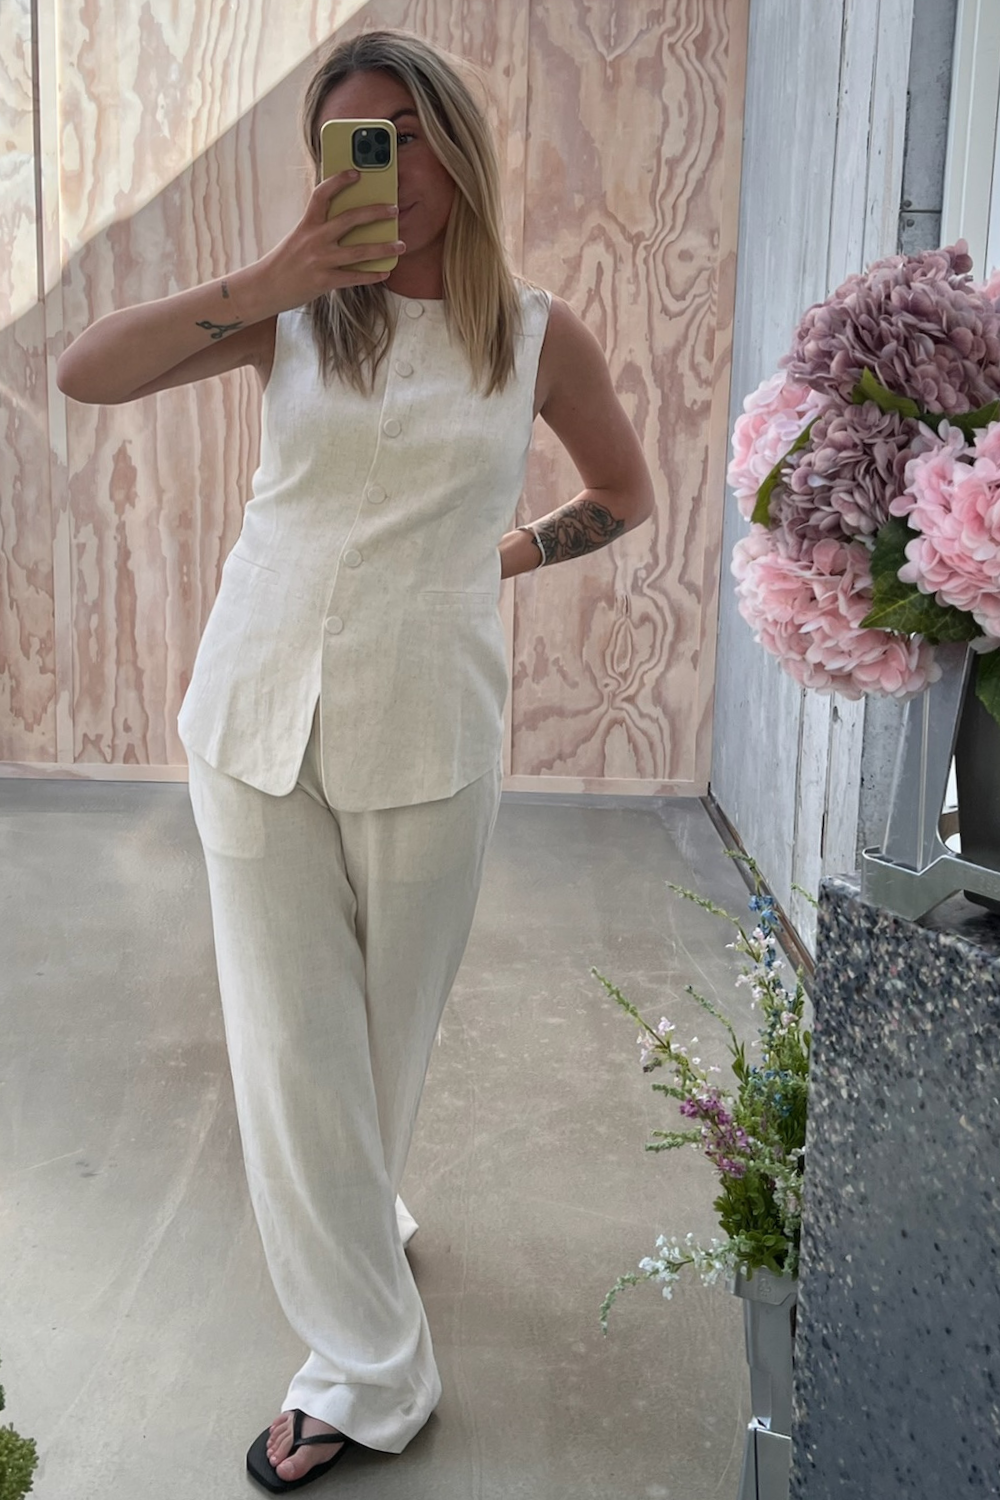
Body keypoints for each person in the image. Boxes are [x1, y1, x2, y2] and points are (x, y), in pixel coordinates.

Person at [57, 28, 654, 1492]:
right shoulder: (295, 319)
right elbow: (85, 372)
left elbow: (623, 493)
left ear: (458, 144)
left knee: (383, 1041)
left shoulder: (536, 335)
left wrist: (487, 562)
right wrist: (267, 281)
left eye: (408, 130)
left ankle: (357, 1224)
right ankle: (370, 1374)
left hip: (431, 720)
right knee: (292, 1050)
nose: (387, 163)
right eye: (354, 139)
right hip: (253, 710)